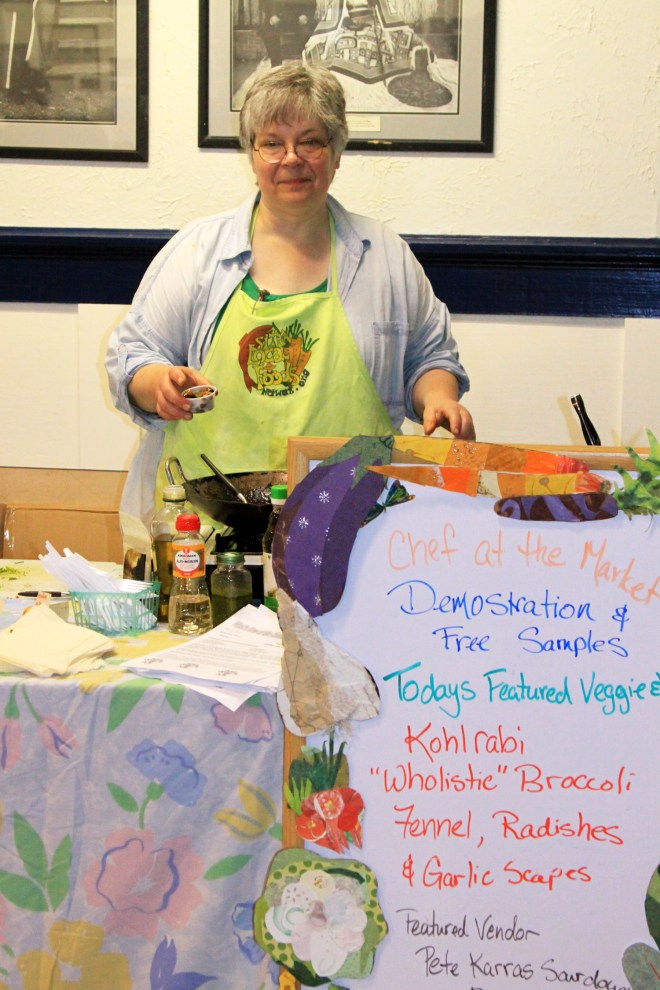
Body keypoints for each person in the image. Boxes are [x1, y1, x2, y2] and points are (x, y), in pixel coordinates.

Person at [106, 62, 474, 532]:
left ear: (337, 153)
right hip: (209, 527)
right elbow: (133, 355)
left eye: (311, 141)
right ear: (252, 154)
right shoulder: (199, 252)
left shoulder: (385, 257)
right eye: (272, 143)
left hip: (354, 523)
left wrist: (439, 398)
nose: (291, 158)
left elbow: (429, 357)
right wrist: (157, 382)